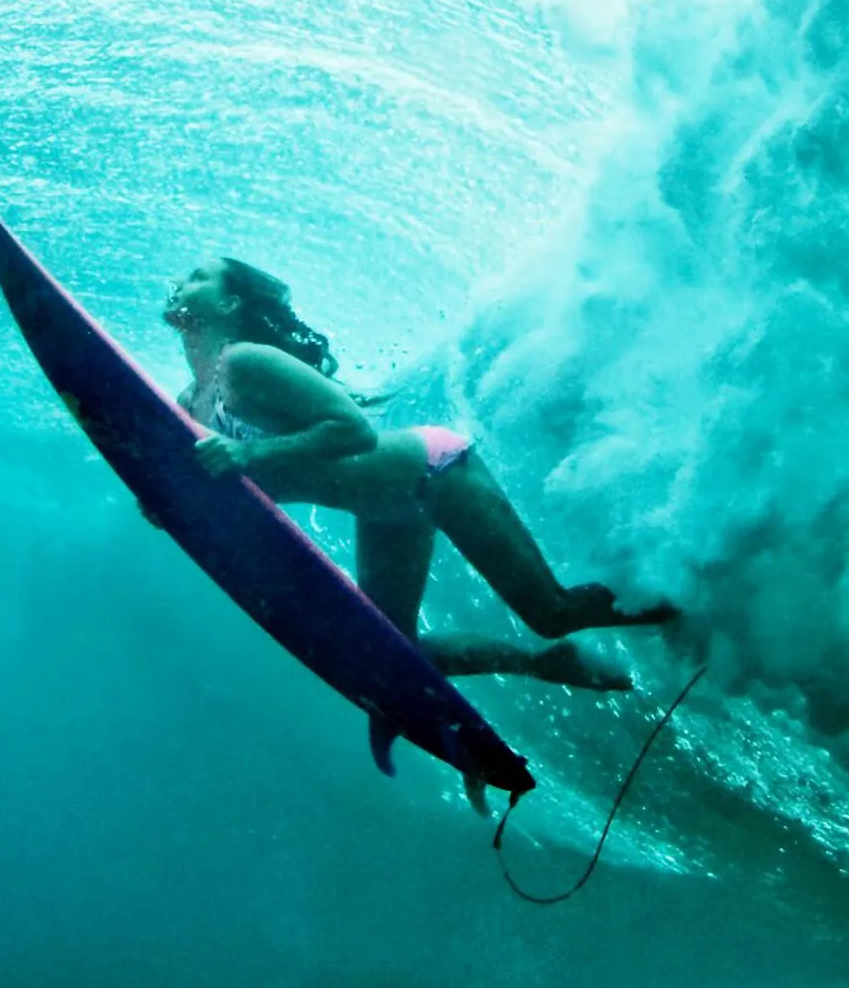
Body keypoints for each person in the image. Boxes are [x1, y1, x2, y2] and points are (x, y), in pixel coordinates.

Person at [160, 258, 674, 692]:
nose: (182, 285)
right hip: (384, 507)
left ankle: (690, 599)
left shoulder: (245, 364)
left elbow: (353, 430)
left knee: (551, 611)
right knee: (395, 651)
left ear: (230, 304)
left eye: (199, 278)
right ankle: (541, 664)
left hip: (434, 473)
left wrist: (250, 456)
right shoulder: (192, 404)